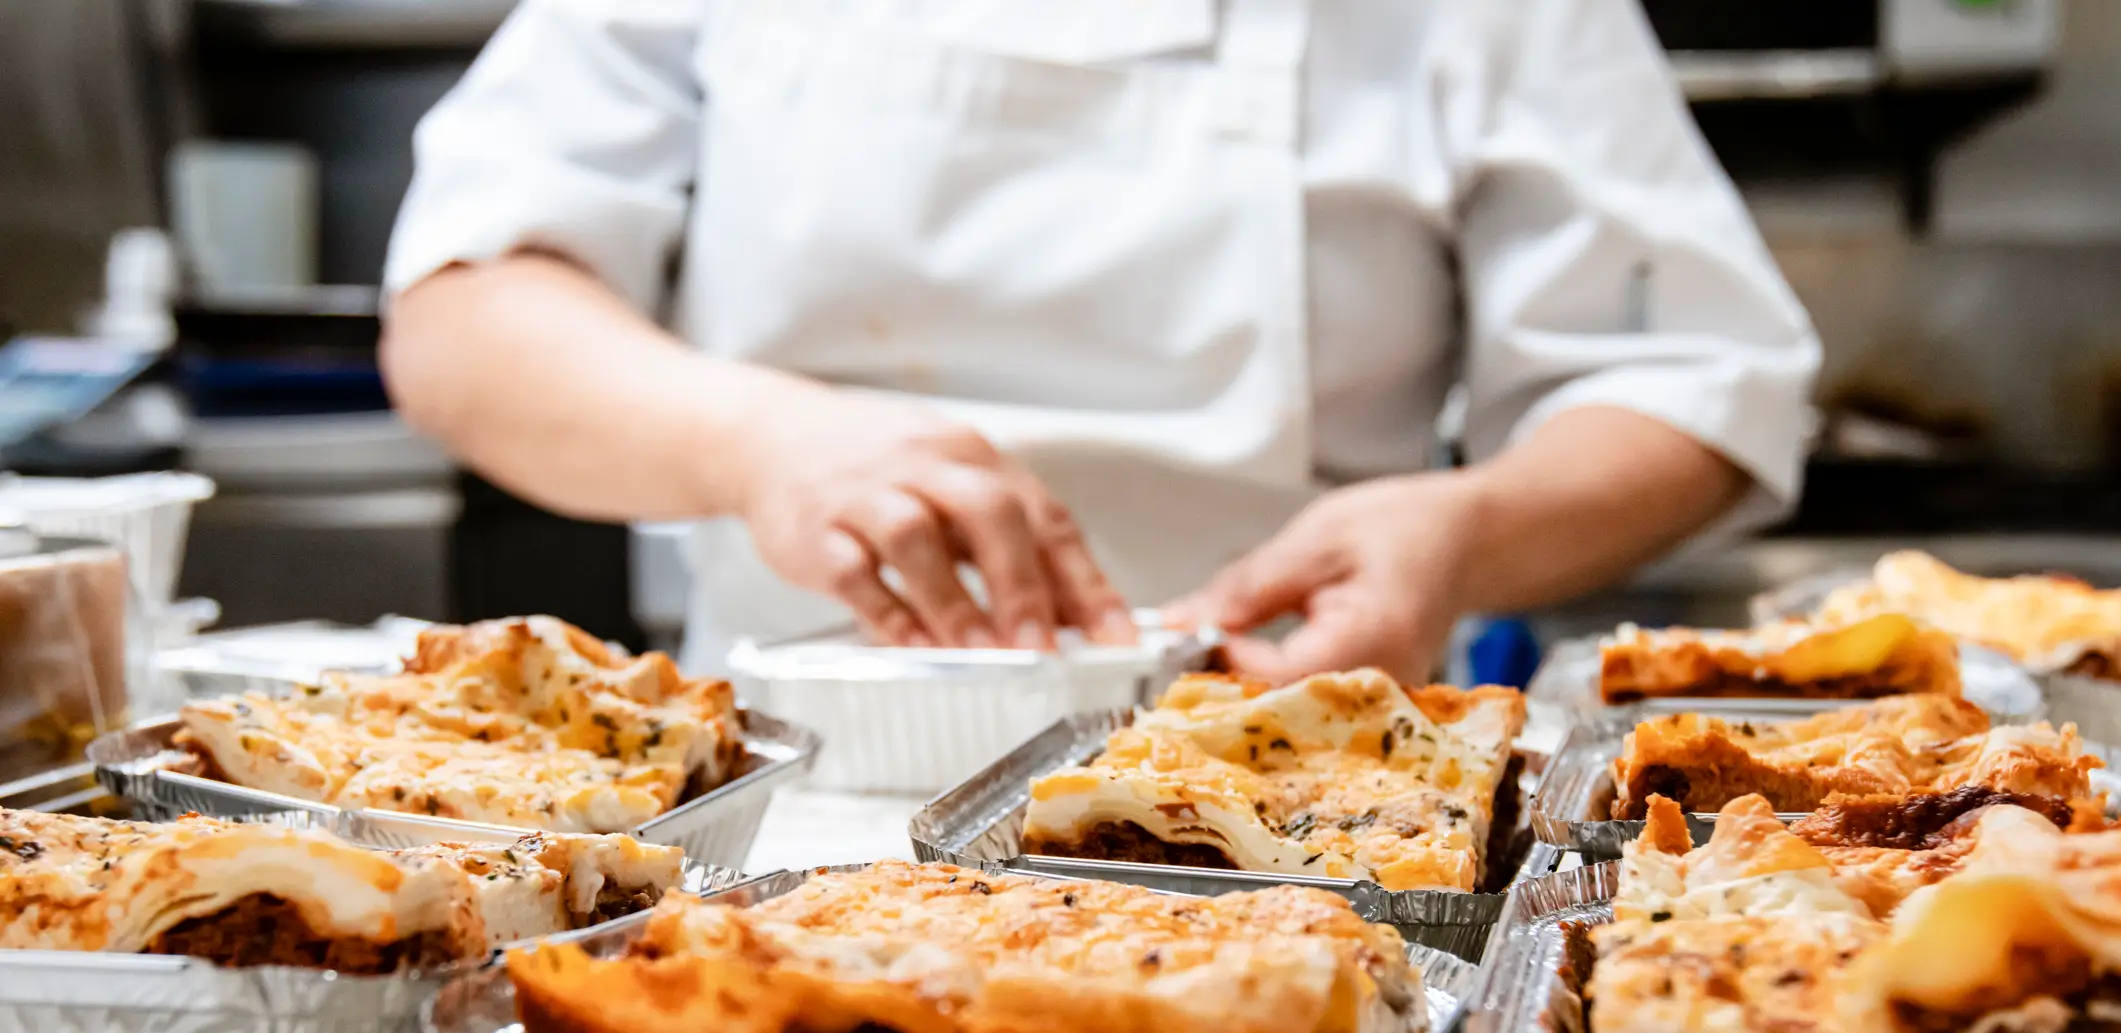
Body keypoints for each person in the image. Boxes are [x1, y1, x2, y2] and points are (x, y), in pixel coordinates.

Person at [381, 0, 1819, 683]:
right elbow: (465, 305)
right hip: (784, 788)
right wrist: (763, 440)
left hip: (1303, 784)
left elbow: (1693, 371)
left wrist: (1465, 527)